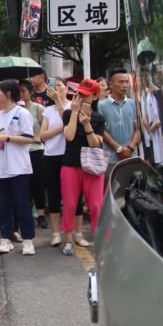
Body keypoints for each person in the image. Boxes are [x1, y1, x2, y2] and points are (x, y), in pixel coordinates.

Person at [0, 79, 36, 256]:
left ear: (8, 94)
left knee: (22, 204)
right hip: (1, 169)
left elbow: (29, 138)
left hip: (19, 168)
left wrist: (8, 138)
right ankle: (5, 238)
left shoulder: (21, 113)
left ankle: (28, 240)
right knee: (4, 205)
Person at [61, 79, 106, 256]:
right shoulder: (68, 113)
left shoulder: (99, 118)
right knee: (70, 204)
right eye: (79, 94)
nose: (80, 97)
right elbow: (69, 136)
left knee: (96, 206)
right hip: (71, 164)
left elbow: (95, 144)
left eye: (85, 95)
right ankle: (68, 240)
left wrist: (87, 124)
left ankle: (99, 239)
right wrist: (74, 113)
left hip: (93, 166)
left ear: (95, 96)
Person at [39, 78, 79, 247]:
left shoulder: (73, 106)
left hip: (69, 156)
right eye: (54, 87)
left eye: (60, 86)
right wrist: (59, 130)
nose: (57, 89)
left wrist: (59, 103)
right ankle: (56, 233)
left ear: (66, 88)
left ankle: (77, 232)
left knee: (74, 197)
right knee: (53, 195)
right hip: (51, 156)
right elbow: (42, 135)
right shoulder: (48, 110)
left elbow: (69, 124)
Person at [99, 68, 140, 176]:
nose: (125, 85)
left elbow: (138, 128)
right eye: (121, 82)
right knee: (114, 189)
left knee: (133, 188)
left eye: (126, 82)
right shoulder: (101, 105)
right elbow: (101, 130)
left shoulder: (133, 104)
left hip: (132, 155)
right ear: (111, 84)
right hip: (111, 158)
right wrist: (118, 148)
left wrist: (130, 147)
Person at [19, 79, 47, 229]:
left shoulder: (38, 108)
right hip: (21, 152)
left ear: (30, 92)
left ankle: (41, 214)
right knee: (24, 185)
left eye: (24, 91)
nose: (21, 94)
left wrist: (38, 138)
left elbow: (46, 131)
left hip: (36, 151)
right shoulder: (16, 109)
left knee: (38, 184)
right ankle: (26, 214)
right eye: (19, 91)